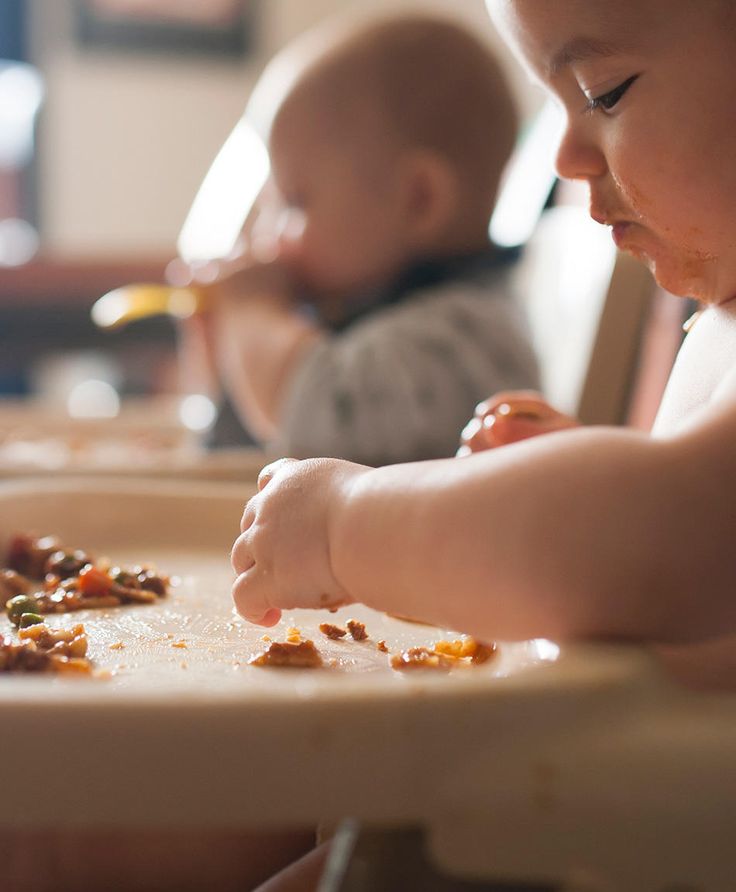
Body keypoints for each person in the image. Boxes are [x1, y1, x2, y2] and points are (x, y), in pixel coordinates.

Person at [230, 1, 736, 888]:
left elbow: (658, 542)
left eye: (604, 92)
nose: (562, 157)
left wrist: (345, 525)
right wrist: (580, 465)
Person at [185, 10, 539, 465]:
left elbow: (310, 420)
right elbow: (250, 452)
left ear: (418, 200)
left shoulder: (459, 338)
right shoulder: (359, 311)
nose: (272, 237)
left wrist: (253, 312)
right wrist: (222, 348)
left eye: (294, 203)